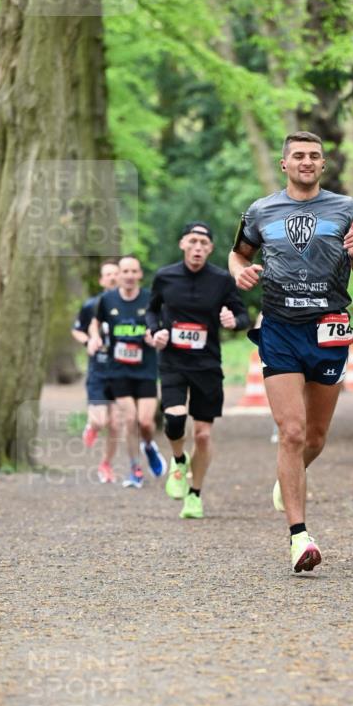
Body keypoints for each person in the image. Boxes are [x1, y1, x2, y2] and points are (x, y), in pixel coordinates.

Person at [228, 131, 353, 572]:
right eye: (298, 155)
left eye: (314, 155)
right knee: (290, 432)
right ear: (284, 164)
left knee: (314, 438)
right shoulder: (260, 210)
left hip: (328, 329)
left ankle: (287, 477)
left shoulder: (345, 209)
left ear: (322, 164)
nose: (306, 161)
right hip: (278, 329)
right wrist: (241, 274)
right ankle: (299, 538)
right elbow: (237, 255)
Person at [145, 221, 249, 519]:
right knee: (175, 420)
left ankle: (195, 494)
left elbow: (242, 314)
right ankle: (179, 460)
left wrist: (234, 321)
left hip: (207, 365)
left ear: (210, 249)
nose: (198, 248)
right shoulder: (165, 277)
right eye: (193, 242)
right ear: (183, 245)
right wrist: (156, 331)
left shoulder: (221, 280)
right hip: (174, 361)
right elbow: (152, 310)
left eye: (204, 244)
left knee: (203, 436)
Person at [88, 254, 166, 489]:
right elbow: (95, 322)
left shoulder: (150, 299)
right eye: (125, 272)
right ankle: (135, 469)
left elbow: (161, 325)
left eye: (134, 271)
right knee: (129, 419)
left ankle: (149, 446)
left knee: (145, 422)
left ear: (140, 274)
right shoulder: (107, 300)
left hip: (146, 369)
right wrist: (94, 337)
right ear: (118, 275)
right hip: (118, 369)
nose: (130, 276)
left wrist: (154, 336)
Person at [71, 261, 120, 484]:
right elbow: (76, 330)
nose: (111, 278)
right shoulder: (91, 305)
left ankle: (106, 464)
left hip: (122, 371)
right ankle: (92, 426)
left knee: (115, 425)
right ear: (101, 280)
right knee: (100, 421)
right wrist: (90, 340)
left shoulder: (131, 304)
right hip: (99, 371)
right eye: (107, 274)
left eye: (115, 274)